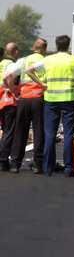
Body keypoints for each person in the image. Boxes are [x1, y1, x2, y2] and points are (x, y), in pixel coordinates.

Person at [25, 35, 74, 177]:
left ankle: (48, 168)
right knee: (68, 134)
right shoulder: (73, 60)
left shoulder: (48, 59)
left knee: (50, 134)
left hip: (51, 99)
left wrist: (42, 84)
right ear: (68, 45)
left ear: (56, 45)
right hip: (69, 99)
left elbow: (29, 70)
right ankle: (69, 168)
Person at [3, 38, 48, 173]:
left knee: (20, 131)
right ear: (44, 49)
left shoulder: (24, 60)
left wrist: (14, 91)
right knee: (39, 131)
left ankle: (15, 163)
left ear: (33, 47)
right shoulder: (46, 61)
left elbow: (8, 76)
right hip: (39, 99)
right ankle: (37, 164)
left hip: (24, 98)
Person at [0, 43, 20, 172]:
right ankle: (3, 160)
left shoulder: (1, 63)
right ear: (15, 52)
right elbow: (10, 79)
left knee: (3, 129)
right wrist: (14, 92)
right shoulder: (11, 64)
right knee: (9, 130)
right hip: (7, 98)